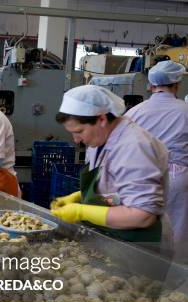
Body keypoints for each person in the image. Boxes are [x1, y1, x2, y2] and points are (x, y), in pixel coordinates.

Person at [51, 85, 169, 247]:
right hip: (114, 235)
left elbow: (143, 215)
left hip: (139, 243)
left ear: (101, 119)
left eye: (79, 131)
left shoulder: (133, 147)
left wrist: (81, 211)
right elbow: (115, 183)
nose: (76, 140)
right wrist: (80, 195)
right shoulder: (100, 139)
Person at [124, 61, 188, 257]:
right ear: (177, 84)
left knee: (145, 227)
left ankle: (143, 274)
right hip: (178, 177)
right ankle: (175, 281)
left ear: (151, 85)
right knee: (177, 231)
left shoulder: (133, 113)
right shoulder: (185, 110)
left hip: (142, 176)